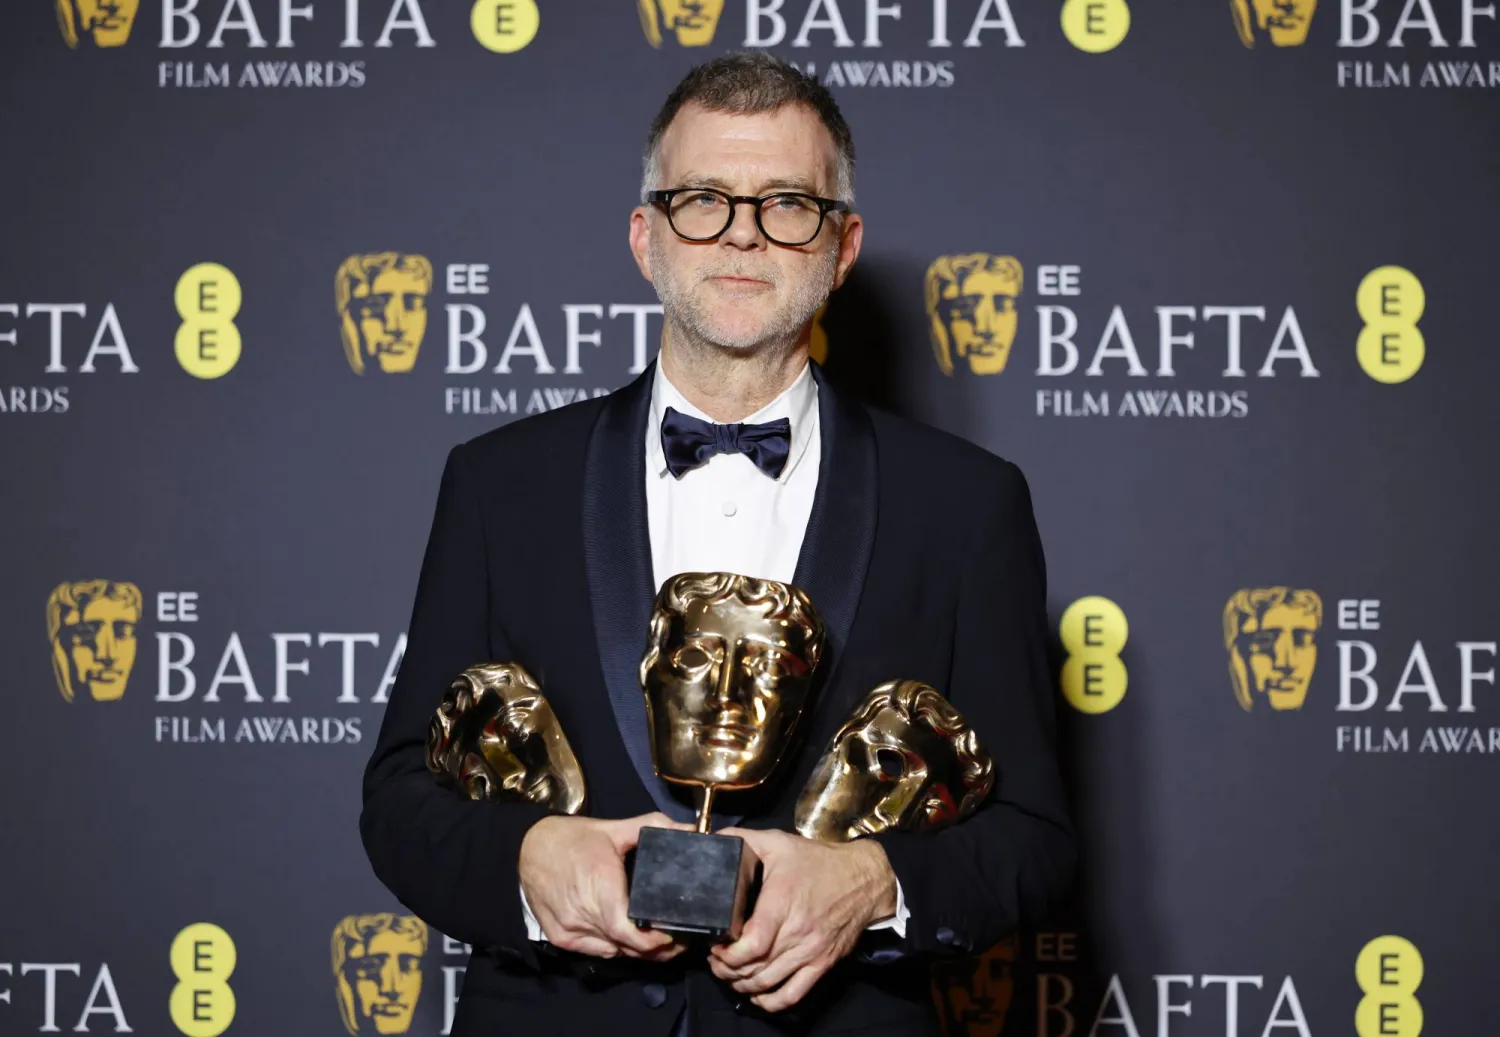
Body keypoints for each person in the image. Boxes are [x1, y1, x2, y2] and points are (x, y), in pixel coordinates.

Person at [360, 51, 1074, 1037]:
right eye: (704, 198)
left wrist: (872, 882)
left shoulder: (967, 502)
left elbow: (1033, 836)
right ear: (645, 235)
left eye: (786, 201)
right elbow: (401, 797)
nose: (742, 233)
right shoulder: (497, 481)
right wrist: (527, 858)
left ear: (843, 244)